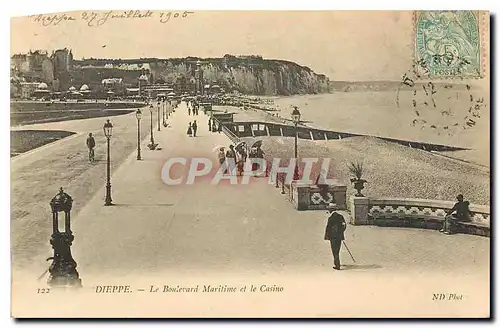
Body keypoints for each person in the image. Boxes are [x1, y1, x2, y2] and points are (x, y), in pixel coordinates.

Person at [324, 204, 347, 270]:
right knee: (337, 250)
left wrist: (327, 236)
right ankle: (337, 262)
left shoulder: (330, 218)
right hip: (339, 236)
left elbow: (328, 228)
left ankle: (337, 265)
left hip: (333, 237)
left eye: (329, 209)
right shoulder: (340, 216)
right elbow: (344, 225)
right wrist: (341, 232)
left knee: (334, 251)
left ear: (331, 210)